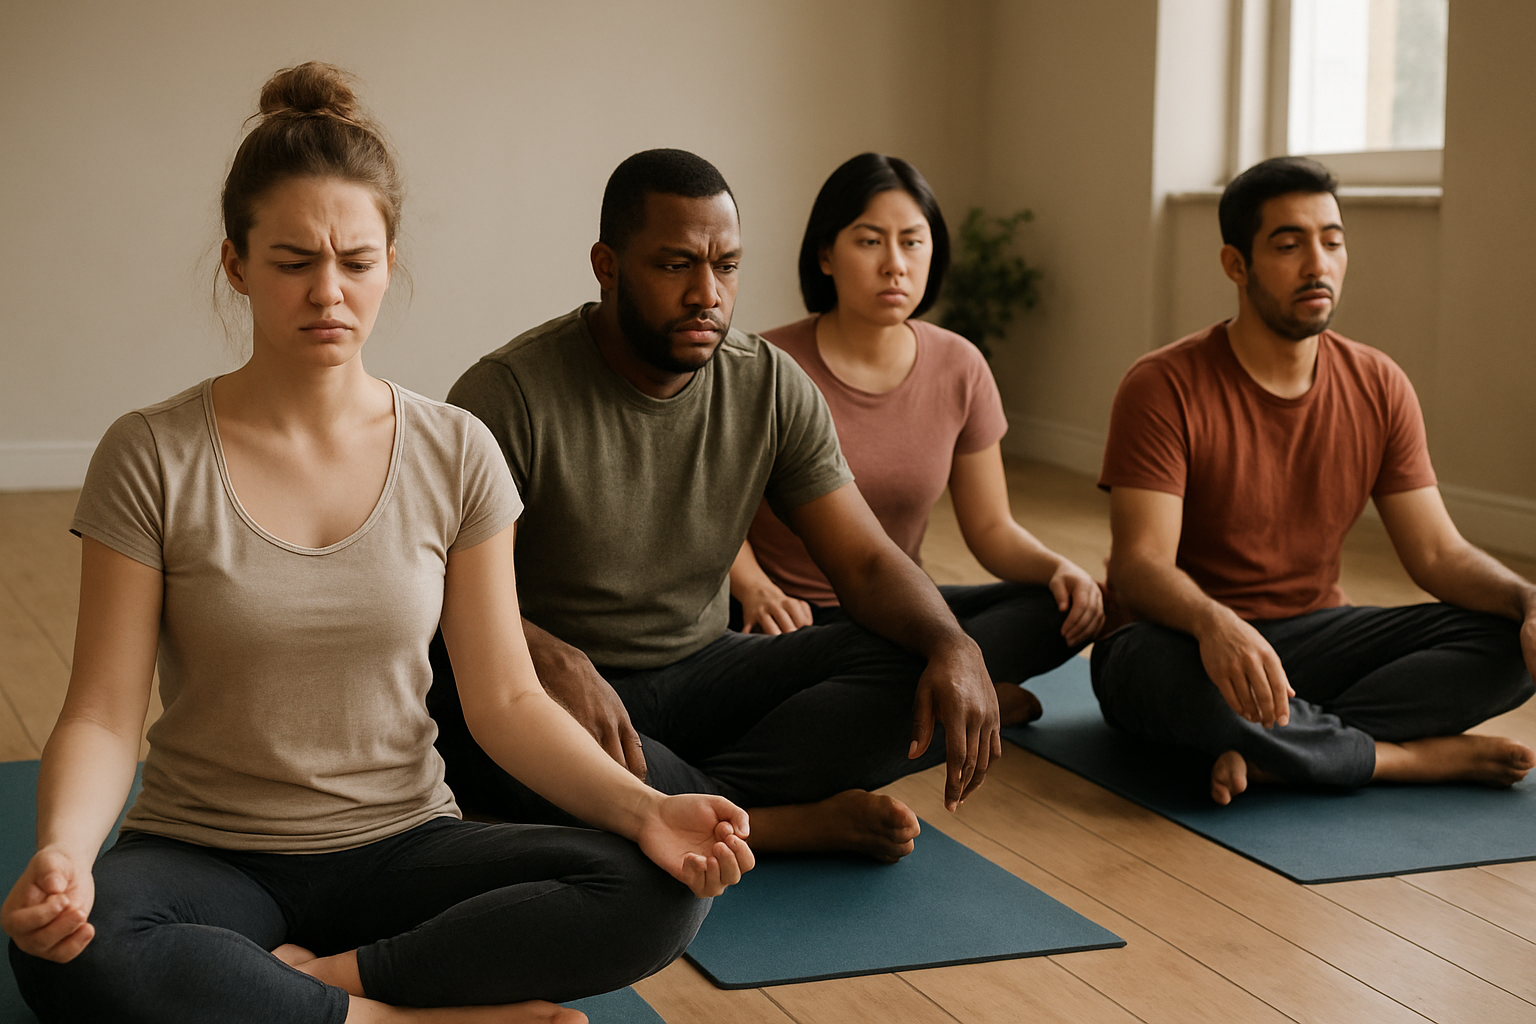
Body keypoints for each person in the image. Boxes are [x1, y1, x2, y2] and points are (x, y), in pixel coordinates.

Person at [2, 65, 752, 1024]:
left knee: (655, 890)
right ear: (235, 263)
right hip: (207, 852)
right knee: (70, 954)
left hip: (404, 845)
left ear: (390, 260)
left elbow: (509, 699)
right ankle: (398, 1015)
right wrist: (63, 853)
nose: (329, 293)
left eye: (356, 261)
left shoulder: (456, 451)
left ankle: (307, 989)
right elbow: (103, 715)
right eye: (291, 262)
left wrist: (648, 812)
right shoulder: (150, 453)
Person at [429, 149, 999, 864]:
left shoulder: (768, 385)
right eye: (675, 266)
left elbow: (864, 561)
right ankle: (775, 825)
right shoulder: (506, 395)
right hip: (561, 694)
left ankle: (688, 810)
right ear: (607, 266)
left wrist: (955, 647)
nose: (708, 294)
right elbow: (438, 591)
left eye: (726, 266)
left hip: (706, 670)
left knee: (913, 660)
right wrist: (550, 658)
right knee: (472, 717)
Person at [1092, 155, 1536, 805]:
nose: (1317, 265)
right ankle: (1399, 760)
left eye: (1332, 241)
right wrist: (1218, 625)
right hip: (1181, 644)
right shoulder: (1162, 385)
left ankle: (1284, 750)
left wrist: (1528, 601)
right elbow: (1139, 566)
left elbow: (1437, 553)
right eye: (1289, 244)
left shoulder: (1379, 383)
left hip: (1313, 638)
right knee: (1157, 679)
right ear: (1236, 266)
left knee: (1509, 643)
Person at [730, 152, 1104, 726]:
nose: (895, 264)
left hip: (899, 615)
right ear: (826, 255)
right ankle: (949, 697)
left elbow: (991, 528)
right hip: (786, 620)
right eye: (870, 241)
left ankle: (923, 690)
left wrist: (1060, 568)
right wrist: (755, 588)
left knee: (1058, 607)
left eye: (912, 241)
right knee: (763, 662)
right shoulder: (761, 365)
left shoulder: (960, 366)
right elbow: (712, 516)